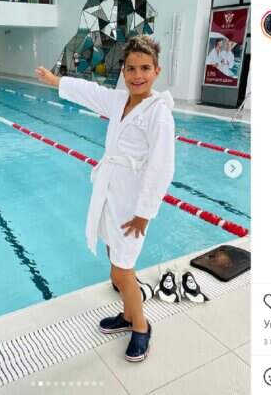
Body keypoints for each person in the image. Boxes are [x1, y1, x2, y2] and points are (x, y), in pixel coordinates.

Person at [34, 35, 175, 362]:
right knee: (116, 264)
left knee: (123, 272)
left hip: (132, 204)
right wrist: (56, 81)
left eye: (145, 68)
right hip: (112, 193)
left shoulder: (158, 114)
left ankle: (141, 327)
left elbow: (162, 168)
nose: (137, 75)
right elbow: (92, 93)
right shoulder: (120, 100)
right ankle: (127, 316)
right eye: (131, 69)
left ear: (157, 71)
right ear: (123, 71)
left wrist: (144, 213)